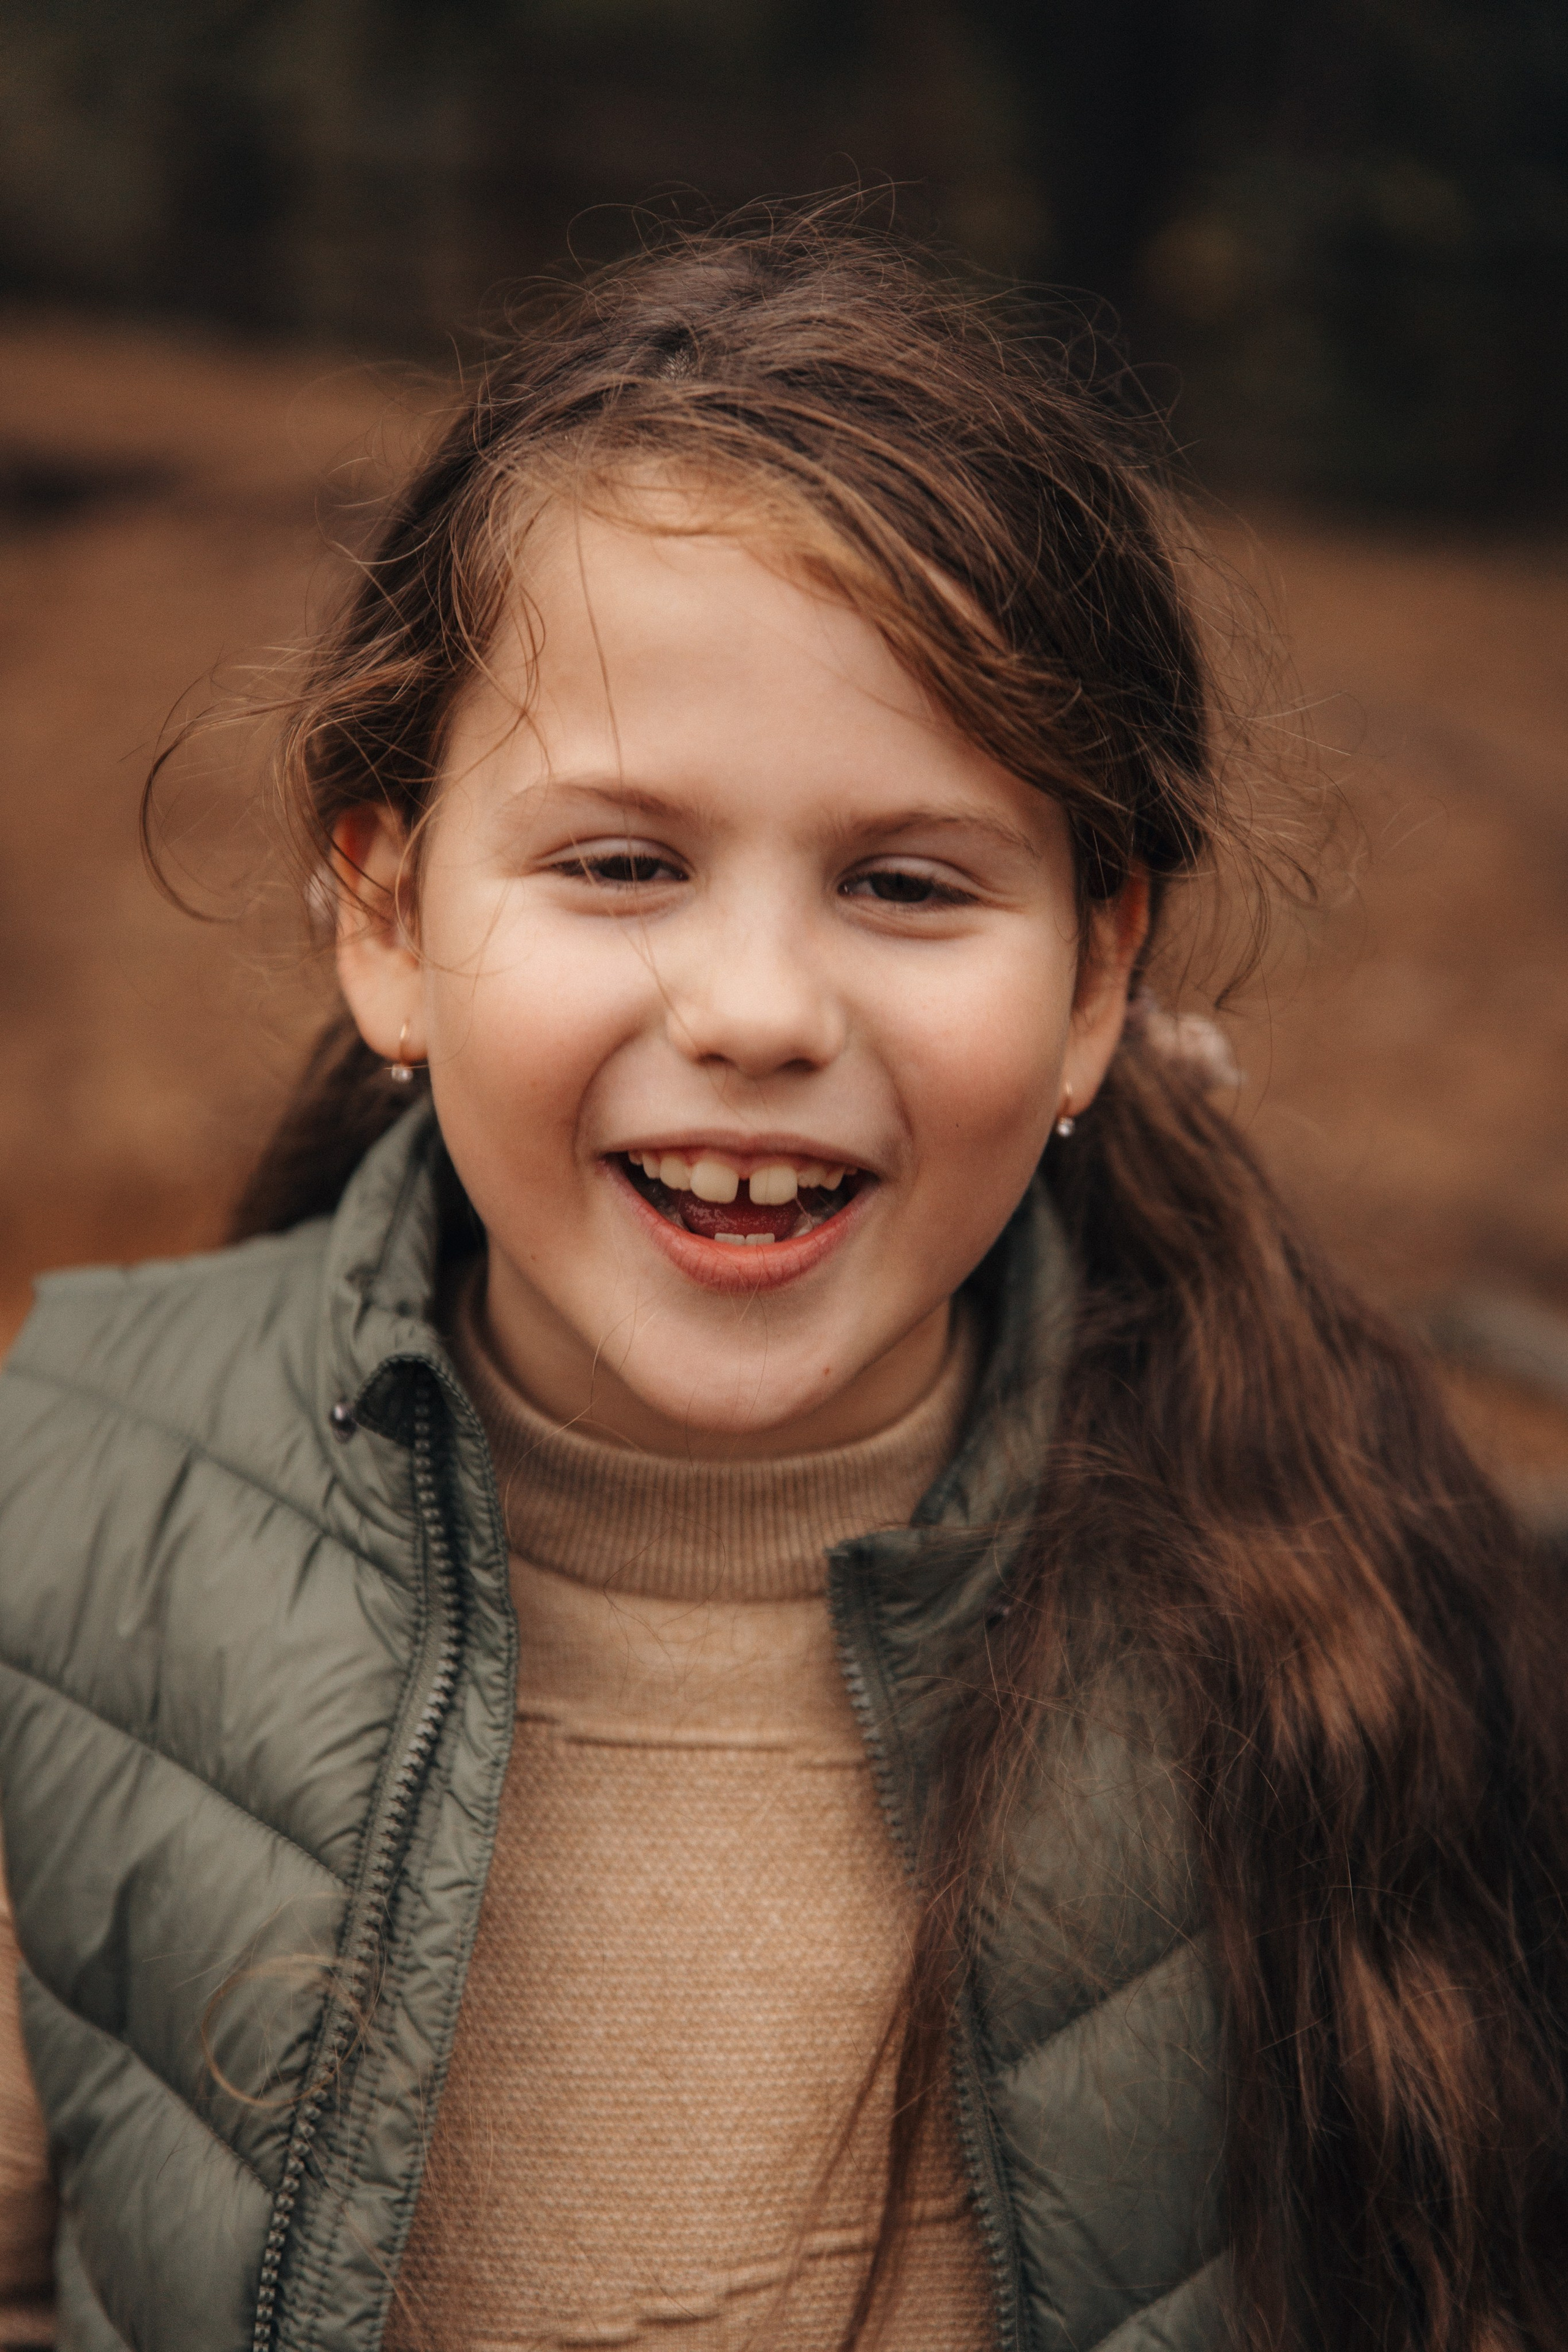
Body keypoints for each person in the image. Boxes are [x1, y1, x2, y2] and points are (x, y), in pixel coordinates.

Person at [0, 205, 1564, 2352]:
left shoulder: (1341, 1622)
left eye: (908, 883)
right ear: (386, 916)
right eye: (622, 862)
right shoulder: (62, 1524)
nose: (756, 1008)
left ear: (1099, 972)